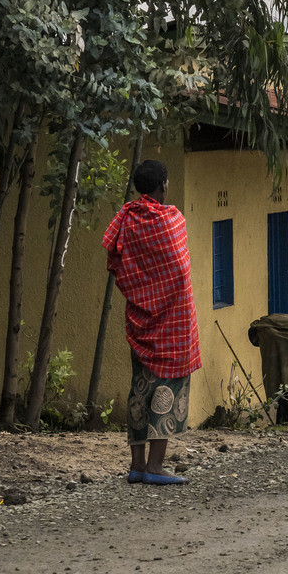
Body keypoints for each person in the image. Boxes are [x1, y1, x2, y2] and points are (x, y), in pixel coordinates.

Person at [100, 159, 200, 485]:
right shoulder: (172, 220)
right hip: (173, 324)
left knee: (140, 387)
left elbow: (119, 267)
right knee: (167, 388)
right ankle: (156, 467)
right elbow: (178, 271)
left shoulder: (126, 220)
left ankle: (137, 466)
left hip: (141, 321)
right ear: (164, 186)